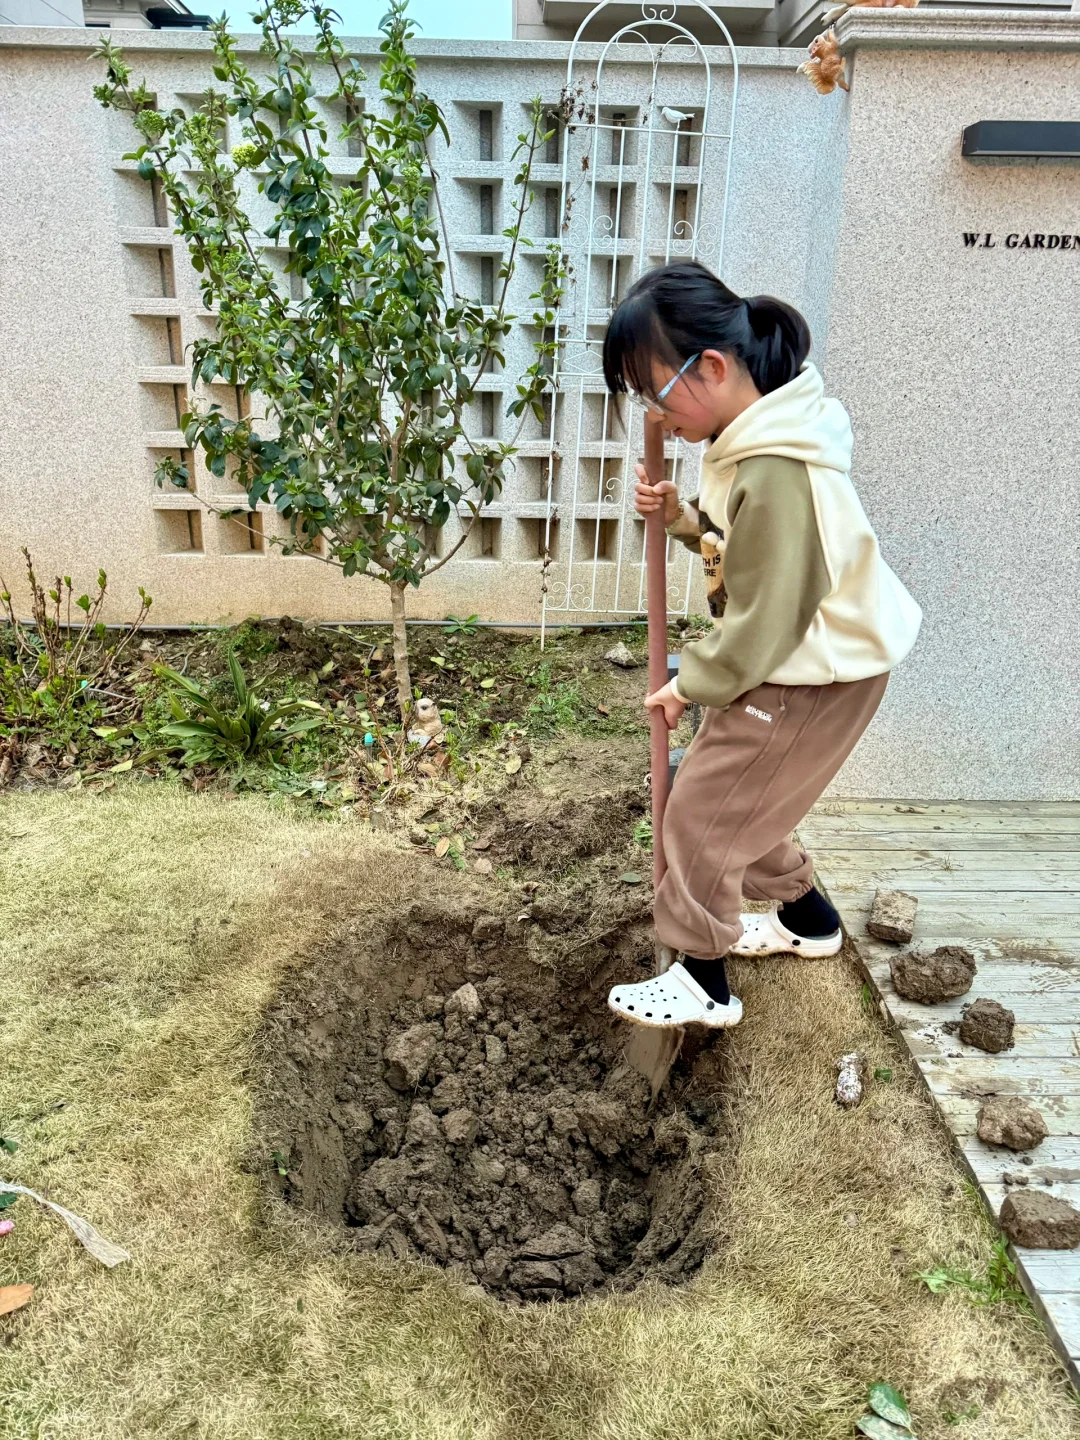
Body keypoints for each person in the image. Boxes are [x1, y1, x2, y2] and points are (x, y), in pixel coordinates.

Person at [602, 261, 922, 1030]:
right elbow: (736, 554)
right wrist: (682, 518)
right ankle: (807, 922)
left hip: (809, 672)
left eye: (653, 390)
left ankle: (702, 979)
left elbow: (770, 613)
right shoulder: (755, 439)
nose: (654, 412)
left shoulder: (777, 466)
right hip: (809, 661)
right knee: (751, 800)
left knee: (700, 810)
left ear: (710, 367)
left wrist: (694, 682)